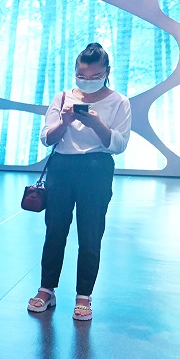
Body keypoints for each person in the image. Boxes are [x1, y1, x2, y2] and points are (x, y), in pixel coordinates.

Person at [28, 43, 131, 322]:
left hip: (97, 168)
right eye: (82, 75)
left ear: (107, 72)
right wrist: (64, 121)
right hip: (61, 167)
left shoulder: (119, 102)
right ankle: (46, 289)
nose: (87, 80)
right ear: (75, 71)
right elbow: (46, 138)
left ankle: (84, 295)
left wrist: (96, 123)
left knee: (90, 233)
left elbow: (119, 145)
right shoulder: (62, 97)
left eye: (95, 75)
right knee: (55, 230)